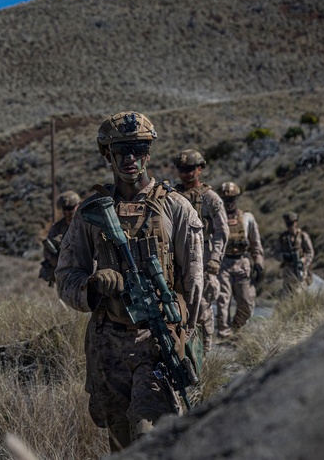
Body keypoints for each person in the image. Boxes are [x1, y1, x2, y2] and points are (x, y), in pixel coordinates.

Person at [55, 111, 204, 452]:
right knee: (120, 441)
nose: (129, 158)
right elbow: (66, 275)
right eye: (120, 150)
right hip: (109, 344)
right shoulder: (92, 213)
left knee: (154, 437)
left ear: (148, 153)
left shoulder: (176, 208)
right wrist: (93, 287)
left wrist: (185, 339)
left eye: (138, 149)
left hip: (158, 340)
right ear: (107, 154)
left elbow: (193, 283)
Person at [173, 149, 229, 350]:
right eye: (181, 169)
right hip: (176, 256)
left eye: (189, 169)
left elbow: (223, 231)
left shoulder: (211, 198)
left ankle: (204, 350)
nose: (185, 173)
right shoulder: (173, 196)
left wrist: (215, 259)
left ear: (199, 169)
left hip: (202, 256)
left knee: (202, 304)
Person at [215, 181, 264, 339]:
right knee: (223, 301)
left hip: (242, 263)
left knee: (247, 302)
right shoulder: (215, 220)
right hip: (223, 264)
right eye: (225, 200)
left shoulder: (247, 218)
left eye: (232, 199)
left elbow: (255, 244)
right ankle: (224, 334)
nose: (229, 203)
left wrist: (258, 263)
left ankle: (237, 327)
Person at [38, 190, 80, 286]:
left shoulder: (84, 226)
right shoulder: (56, 228)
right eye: (64, 209)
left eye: (70, 208)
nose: (66, 212)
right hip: (63, 273)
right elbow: (46, 250)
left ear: (78, 206)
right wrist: (51, 258)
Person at [275, 211, 314, 297]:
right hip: (288, 272)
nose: (290, 226)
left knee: (299, 294)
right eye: (288, 224)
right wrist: (284, 257)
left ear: (296, 222)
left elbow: (310, 252)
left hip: (301, 270)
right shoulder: (282, 238)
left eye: (291, 223)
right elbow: (276, 253)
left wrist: (304, 260)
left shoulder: (303, 236)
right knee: (286, 296)